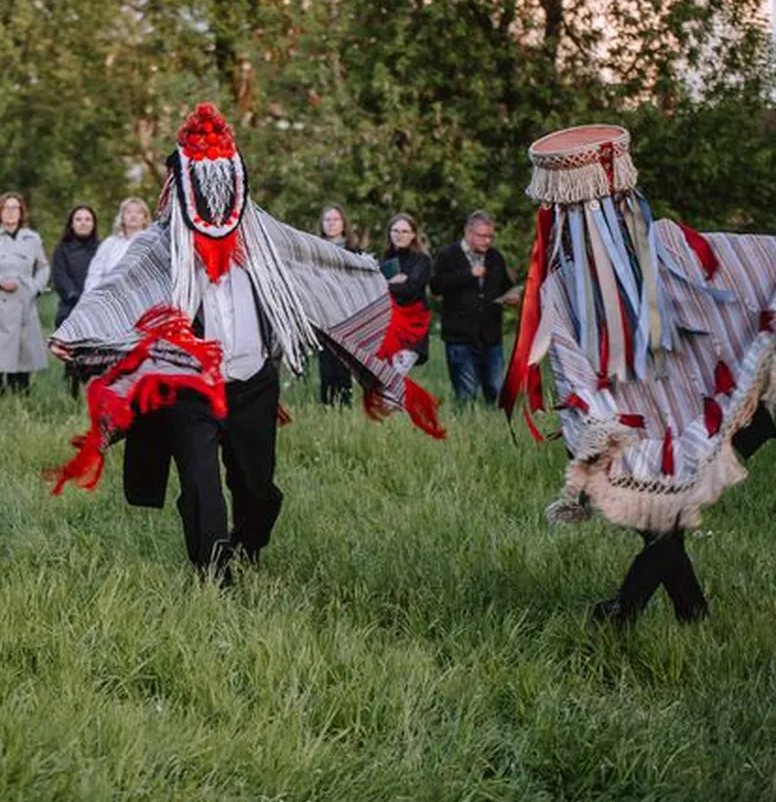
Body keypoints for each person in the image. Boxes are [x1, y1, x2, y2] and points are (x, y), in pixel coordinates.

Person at [49, 103, 444, 586]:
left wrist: (374, 281)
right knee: (200, 487)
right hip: (189, 387)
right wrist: (73, 332)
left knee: (257, 490)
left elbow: (323, 261)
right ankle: (215, 578)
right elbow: (117, 290)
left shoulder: (265, 239)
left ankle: (247, 546)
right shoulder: (160, 246)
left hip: (253, 383)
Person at [499, 124, 776, 627]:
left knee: (664, 522)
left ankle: (629, 611)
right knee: (663, 522)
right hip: (642, 428)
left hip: (684, 414)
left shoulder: (647, 249)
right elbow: (570, 362)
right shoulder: (570, 279)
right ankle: (685, 613)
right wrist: (596, 425)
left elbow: (732, 263)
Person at [431, 210, 518, 404]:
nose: (487, 241)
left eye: (490, 236)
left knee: (495, 389)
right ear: (468, 233)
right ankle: (465, 426)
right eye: (482, 236)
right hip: (460, 335)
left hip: (490, 334)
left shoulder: (495, 257)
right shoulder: (449, 255)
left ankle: (497, 425)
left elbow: (505, 286)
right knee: (466, 393)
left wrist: (511, 296)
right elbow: (436, 286)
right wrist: (468, 275)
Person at [0, 192, 49, 394]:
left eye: (15, 208)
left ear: (21, 212)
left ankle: (21, 397)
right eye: (6, 208)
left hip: (24, 303)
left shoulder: (32, 238)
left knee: (23, 355)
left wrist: (36, 287)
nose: (11, 212)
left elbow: (43, 267)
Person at [51, 205, 100, 396]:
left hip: (97, 309)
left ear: (93, 224)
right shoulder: (62, 249)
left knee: (95, 356)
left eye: (88, 219)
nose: (83, 223)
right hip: (71, 309)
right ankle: (72, 395)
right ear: (71, 224)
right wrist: (76, 298)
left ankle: (93, 393)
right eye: (78, 219)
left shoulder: (102, 248)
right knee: (72, 357)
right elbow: (60, 278)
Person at [315, 204, 359, 405]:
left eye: (336, 220)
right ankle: (326, 407)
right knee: (326, 367)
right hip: (322, 315)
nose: (331, 224)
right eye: (327, 220)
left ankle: (344, 406)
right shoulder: (312, 250)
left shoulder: (355, 252)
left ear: (344, 224)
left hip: (347, 315)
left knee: (344, 367)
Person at [381, 212, 433, 368]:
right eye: (395, 231)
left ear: (413, 235)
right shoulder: (385, 260)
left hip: (412, 328)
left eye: (405, 231)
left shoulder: (422, 260)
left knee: (392, 377)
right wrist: (393, 283)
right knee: (381, 380)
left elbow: (411, 290)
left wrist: (386, 284)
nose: (399, 235)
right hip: (387, 326)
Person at [83, 196, 150, 295]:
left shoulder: (150, 243)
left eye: (138, 212)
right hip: (107, 298)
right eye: (128, 212)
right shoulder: (109, 244)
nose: (133, 215)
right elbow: (95, 274)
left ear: (145, 218)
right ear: (122, 217)